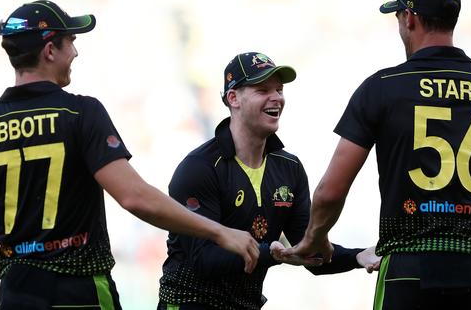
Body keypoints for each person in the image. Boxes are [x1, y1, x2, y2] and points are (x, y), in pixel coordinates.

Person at [0, 0, 260, 310]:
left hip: (15, 295)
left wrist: (22, 231)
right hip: (80, 292)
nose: (76, 51)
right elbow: (135, 198)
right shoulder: (80, 113)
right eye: (70, 42)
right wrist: (218, 231)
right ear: (50, 50)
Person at [284, 0, 471, 309]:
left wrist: (314, 238)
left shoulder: (382, 87)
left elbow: (330, 191)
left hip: (410, 270)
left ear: (409, 18)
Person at [157, 52, 380, 310]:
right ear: (233, 98)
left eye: (279, 89)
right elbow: (204, 259)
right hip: (189, 303)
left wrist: (358, 256)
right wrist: (272, 253)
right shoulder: (200, 167)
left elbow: (306, 248)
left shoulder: (289, 168)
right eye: (263, 89)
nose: (276, 98)